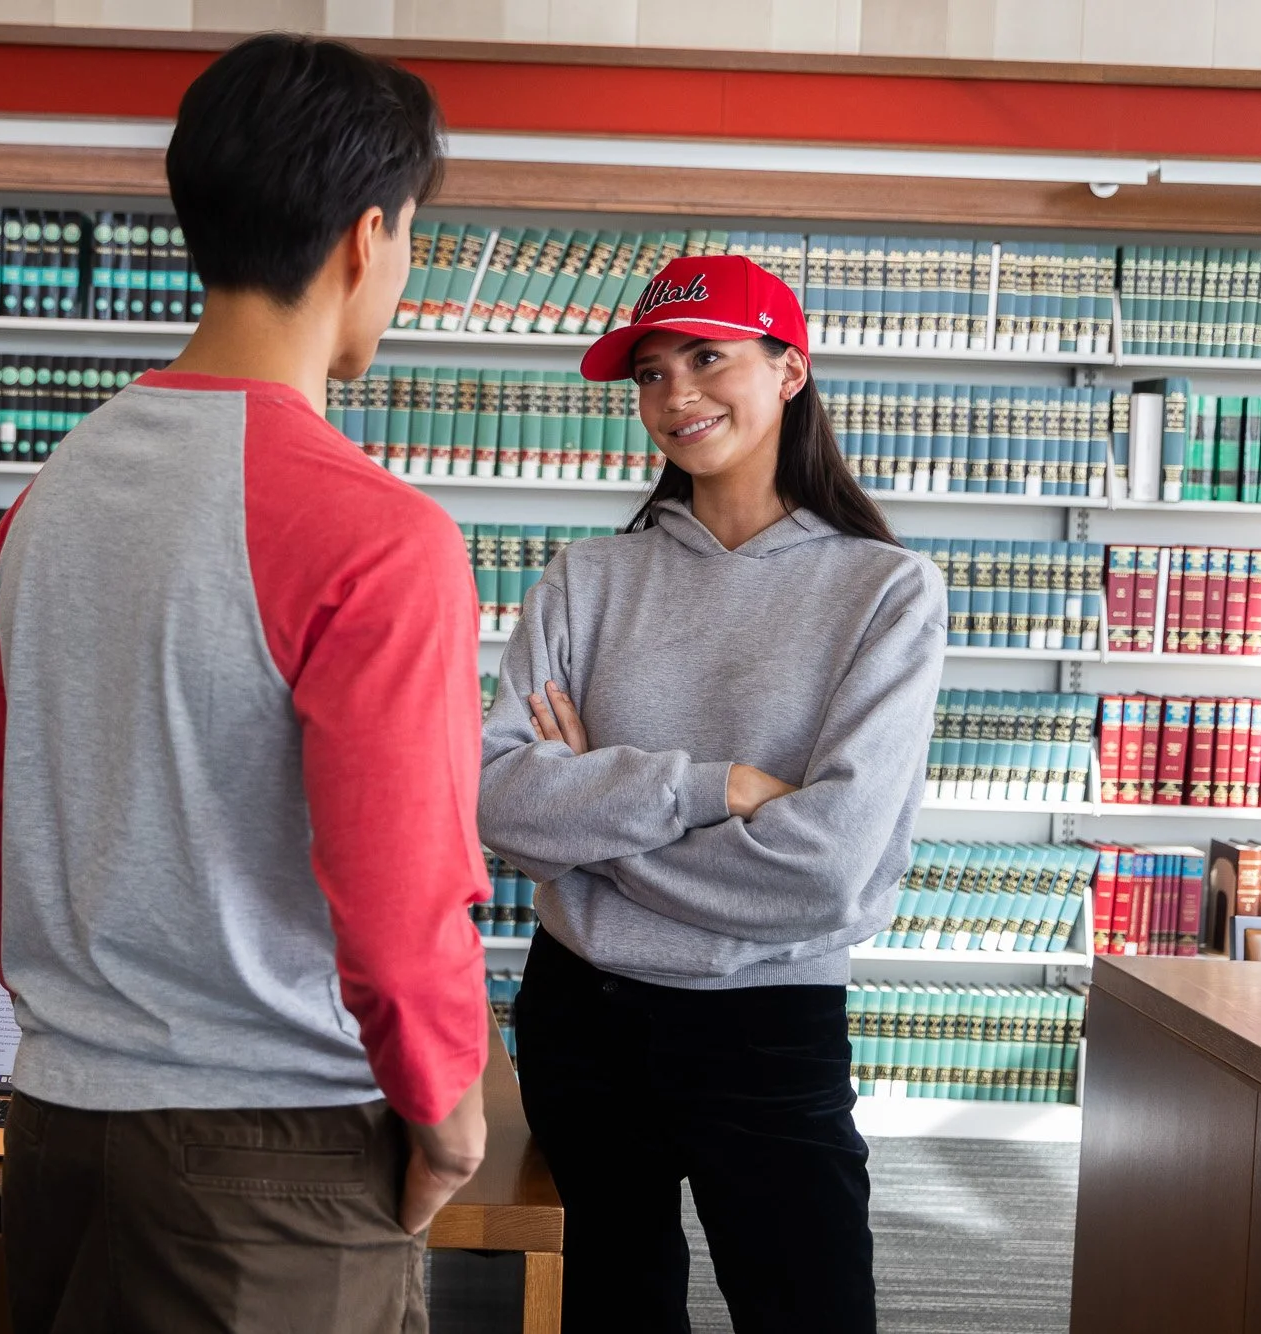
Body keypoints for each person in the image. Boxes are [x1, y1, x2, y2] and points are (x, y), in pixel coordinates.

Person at [0, 33, 488, 1332]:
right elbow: (397, 884)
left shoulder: (57, 491)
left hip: (57, 1125)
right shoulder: (375, 532)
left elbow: (0, 830)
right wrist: (446, 1112)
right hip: (272, 1156)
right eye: (414, 237)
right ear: (367, 239)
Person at [477, 253, 946, 1332]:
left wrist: (593, 819)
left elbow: (823, 868)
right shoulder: (582, 579)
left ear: (787, 370)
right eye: (647, 373)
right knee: (607, 1309)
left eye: (705, 358)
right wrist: (717, 787)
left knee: (808, 1312)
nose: (674, 396)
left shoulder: (882, 590)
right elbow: (498, 800)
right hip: (578, 1017)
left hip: (766, 1025)